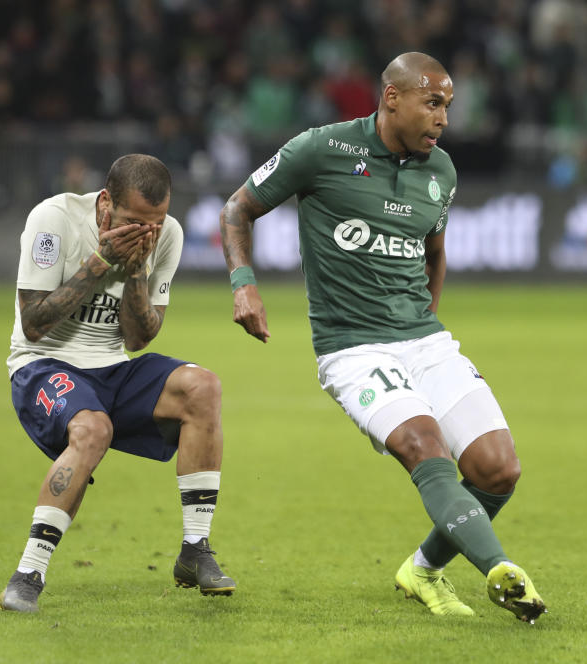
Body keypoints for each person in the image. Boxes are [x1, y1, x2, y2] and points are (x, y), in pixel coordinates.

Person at [218, 52, 545, 623]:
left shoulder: (441, 172)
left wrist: (428, 331)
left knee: (499, 470)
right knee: (426, 447)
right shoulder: (320, 149)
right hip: (353, 347)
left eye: (448, 105)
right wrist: (244, 284)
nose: (443, 118)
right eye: (433, 102)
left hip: (425, 340)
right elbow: (236, 210)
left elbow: (434, 254)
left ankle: (421, 570)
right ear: (392, 98)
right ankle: (500, 570)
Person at [0, 154, 235, 612]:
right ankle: (28, 574)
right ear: (105, 204)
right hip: (44, 364)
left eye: (156, 222)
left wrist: (138, 271)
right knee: (93, 429)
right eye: (133, 222)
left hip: (112, 365)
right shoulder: (55, 219)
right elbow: (33, 324)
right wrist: (100, 262)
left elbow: (138, 337)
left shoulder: (168, 235)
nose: (146, 233)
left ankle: (194, 549)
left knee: (203, 387)